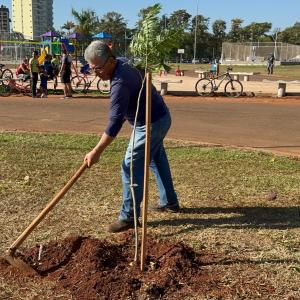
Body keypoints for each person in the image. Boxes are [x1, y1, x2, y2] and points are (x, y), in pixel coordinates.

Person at [83, 41, 180, 233]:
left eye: (99, 68)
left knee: (130, 166)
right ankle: (169, 201)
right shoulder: (123, 62)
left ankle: (128, 217)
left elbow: (115, 123)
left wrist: (96, 152)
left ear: (110, 61)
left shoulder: (120, 82)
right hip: (161, 117)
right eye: (91, 69)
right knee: (155, 159)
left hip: (151, 123)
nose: (96, 73)